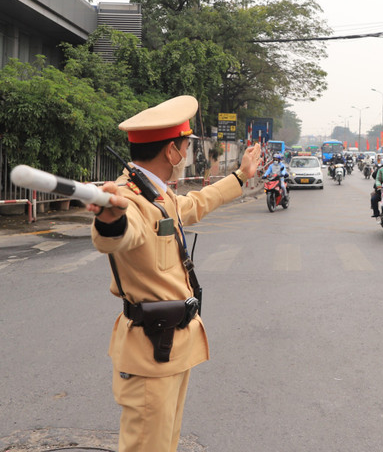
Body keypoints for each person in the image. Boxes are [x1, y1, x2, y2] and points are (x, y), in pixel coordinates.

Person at [88, 95, 261, 452]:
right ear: (171, 152)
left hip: (169, 349)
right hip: (150, 353)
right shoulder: (130, 198)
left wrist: (242, 176)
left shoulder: (156, 193)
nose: (187, 153)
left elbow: (194, 204)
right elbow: (119, 234)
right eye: (185, 146)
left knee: (166, 445)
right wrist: (109, 220)